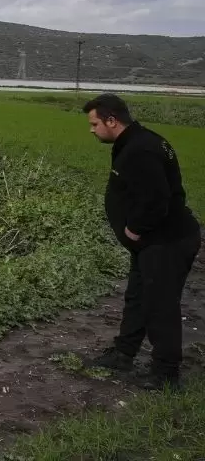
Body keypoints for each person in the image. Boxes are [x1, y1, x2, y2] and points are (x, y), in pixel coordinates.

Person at [83, 93, 200, 390]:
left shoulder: (141, 150)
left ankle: (166, 374)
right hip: (150, 243)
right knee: (137, 298)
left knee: (160, 306)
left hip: (166, 241)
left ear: (112, 120)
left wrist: (134, 228)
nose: (92, 130)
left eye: (95, 124)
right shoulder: (138, 141)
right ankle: (124, 354)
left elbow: (157, 199)